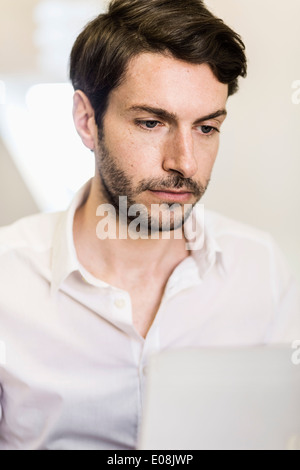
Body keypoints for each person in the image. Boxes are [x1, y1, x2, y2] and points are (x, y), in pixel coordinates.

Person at [0, 0, 299, 451]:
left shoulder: (260, 269)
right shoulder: (8, 280)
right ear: (87, 121)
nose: (184, 162)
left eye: (205, 128)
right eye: (151, 122)